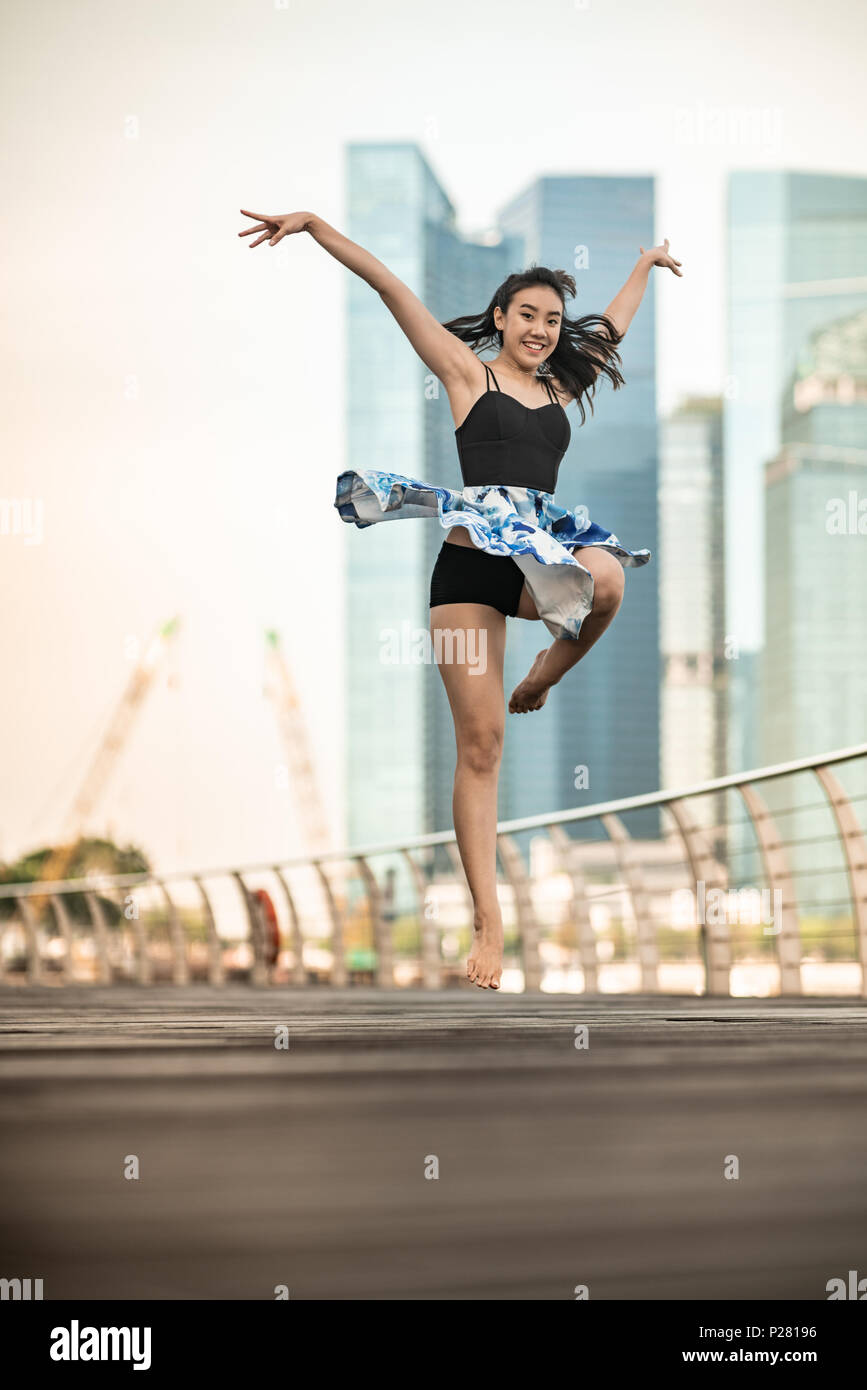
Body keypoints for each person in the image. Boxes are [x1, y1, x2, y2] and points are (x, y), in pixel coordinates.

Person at [239, 207, 682, 990]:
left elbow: (608, 328)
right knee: (479, 747)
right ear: (502, 320)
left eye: (553, 319)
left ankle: (545, 671)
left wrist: (643, 266)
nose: (542, 329)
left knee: (607, 579)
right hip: (465, 577)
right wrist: (314, 228)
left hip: (537, 563)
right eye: (528, 316)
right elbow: (390, 286)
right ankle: (489, 920)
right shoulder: (463, 373)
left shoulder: (561, 383)